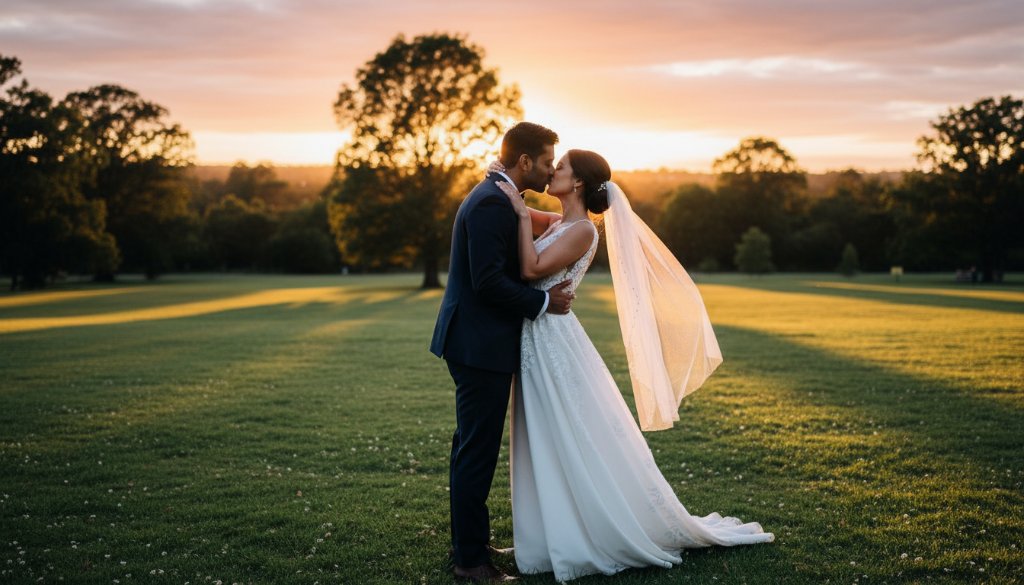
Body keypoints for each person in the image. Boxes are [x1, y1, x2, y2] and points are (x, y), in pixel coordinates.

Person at [496, 149, 775, 582]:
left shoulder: (583, 231)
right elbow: (530, 214)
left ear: (580, 183)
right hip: (539, 336)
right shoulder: (561, 223)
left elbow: (531, 268)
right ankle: (550, 530)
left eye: (562, 167)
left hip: (553, 341)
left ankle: (591, 529)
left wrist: (516, 215)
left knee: (567, 434)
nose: (553, 172)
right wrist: (510, 191)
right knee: (546, 437)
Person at [429, 122, 575, 583]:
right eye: (548, 161)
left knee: (470, 448)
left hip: (477, 342)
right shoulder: (493, 201)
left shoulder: (498, 195)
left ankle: (470, 545)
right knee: (476, 451)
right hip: (480, 346)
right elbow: (488, 282)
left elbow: (557, 229)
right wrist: (545, 302)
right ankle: (471, 563)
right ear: (526, 161)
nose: (552, 169)